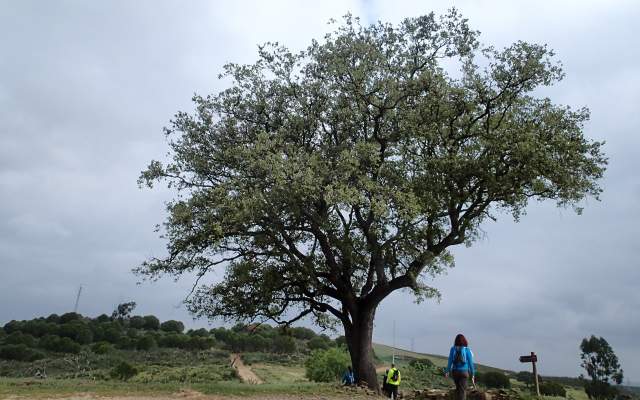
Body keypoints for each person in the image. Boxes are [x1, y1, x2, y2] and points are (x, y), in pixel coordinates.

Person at [445, 334, 476, 400]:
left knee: (458, 389)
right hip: (464, 372)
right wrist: (473, 374)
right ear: (465, 341)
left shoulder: (453, 349)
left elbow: (450, 361)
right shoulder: (467, 350)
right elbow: (471, 363)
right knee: (462, 391)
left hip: (455, 372)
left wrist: (447, 371)